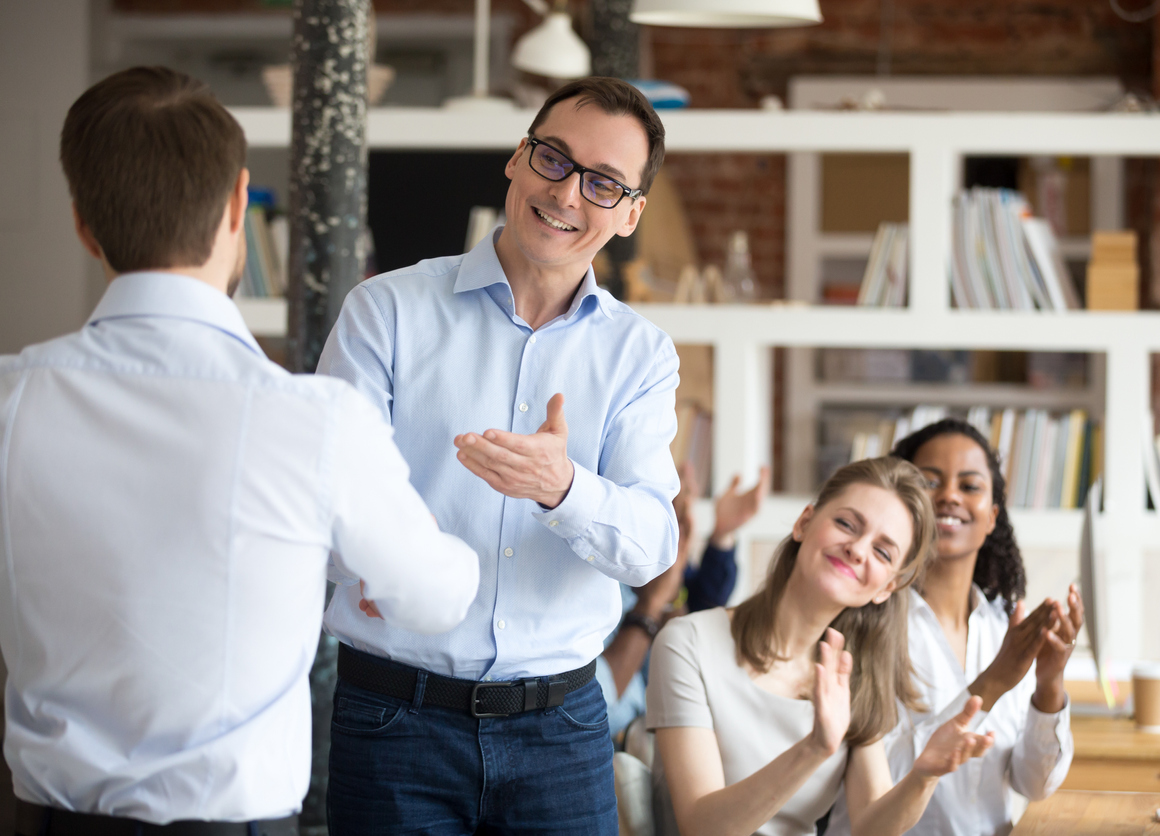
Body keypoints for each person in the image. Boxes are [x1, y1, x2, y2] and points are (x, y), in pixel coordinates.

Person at [0, 66, 479, 836]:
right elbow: (438, 598)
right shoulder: (318, 422)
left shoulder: (10, 402)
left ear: (83, 224)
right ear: (236, 207)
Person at [317, 76, 678, 835]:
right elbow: (322, 499)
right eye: (554, 159)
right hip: (394, 717)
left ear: (631, 214)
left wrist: (567, 488)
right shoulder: (386, 312)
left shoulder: (641, 357)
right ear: (517, 160)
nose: (568, 193)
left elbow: (651, 546)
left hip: (563, 729)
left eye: (604, 183)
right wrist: (368, 561)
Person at [646, 457, 996, 836]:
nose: (858, 549)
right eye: (846, 524)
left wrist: (923, 777)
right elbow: (701, 827)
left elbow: (870, 826)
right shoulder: (689, 643)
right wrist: (814, 748)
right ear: (804, 523)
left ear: (886, 588)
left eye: (882, 552)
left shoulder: (852, 672)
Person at [827, 419, 1080, 836]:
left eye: (970, 486)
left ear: (992, 516)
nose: (948, 496)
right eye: (930, 482)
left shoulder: (1004, 627)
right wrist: (994, 681)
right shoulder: (862, 622)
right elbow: (878, 786)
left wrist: (1048, 686)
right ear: (902, 504)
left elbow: (1034, 784)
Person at [598, 464, 770, 739]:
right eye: (674, 512)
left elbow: (700, 606)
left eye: (680, 514)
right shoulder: (604, 575)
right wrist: (653, 604)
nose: (678, 527)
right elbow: (601, 702)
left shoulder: (654, 569)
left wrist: (721, 536)